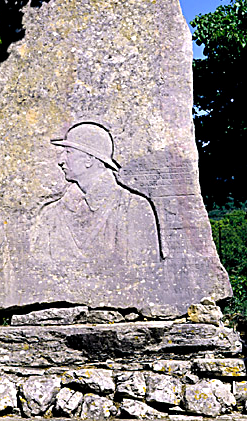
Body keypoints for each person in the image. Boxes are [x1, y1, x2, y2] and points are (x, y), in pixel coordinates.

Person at [30, 123, 161, 305]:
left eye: (68, 152)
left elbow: (145, 274)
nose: (60, 160)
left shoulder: (133, 208)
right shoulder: (50, 214)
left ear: (89, 159)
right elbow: (38, 271)